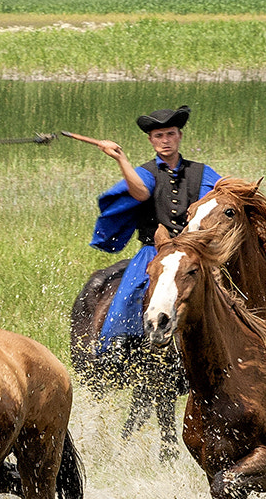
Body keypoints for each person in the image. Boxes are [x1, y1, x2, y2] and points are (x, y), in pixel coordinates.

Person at [90, 106, 221, 352]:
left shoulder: (200, 172)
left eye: (170, 134)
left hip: (192, 253)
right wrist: (121, 159)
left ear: (179, 136)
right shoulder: (146, 173)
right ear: (151, 140)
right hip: (155, 250)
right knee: (131, 290)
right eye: (159, 136)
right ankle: (117, 343)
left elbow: (219, 196)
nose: (165, 141)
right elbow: (140, 192)